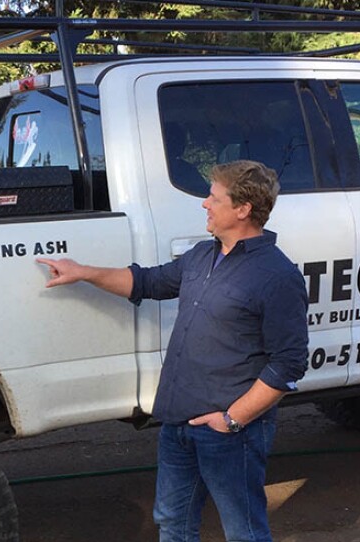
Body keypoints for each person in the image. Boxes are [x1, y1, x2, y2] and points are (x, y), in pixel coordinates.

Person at [37, 160, 308, 542]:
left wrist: (231, 420)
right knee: (172, 522)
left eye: (214, 197)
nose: (205, 205)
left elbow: (289, 365)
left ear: (243, 209)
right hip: (179, 423)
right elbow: (145, 281)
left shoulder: (276, 276)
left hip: (229, 432)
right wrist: (83, 271)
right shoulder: (202, 256)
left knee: (244, 530)